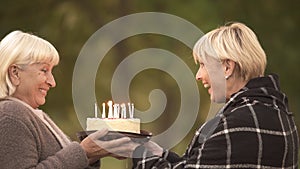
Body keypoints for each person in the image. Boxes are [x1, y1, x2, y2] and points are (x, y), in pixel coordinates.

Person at [124, 22, 299, 168]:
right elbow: (201, 163)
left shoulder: (239, 123)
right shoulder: (276, 113)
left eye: (203, 65)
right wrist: (157, 152)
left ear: (227, 68)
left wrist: (137, 151)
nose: (198, 75)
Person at [0, 30, 136, 168]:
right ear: (15, 73)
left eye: (51, 71)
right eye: (44, 70)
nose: (52, 82)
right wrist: (83, 152)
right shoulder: (10, 115)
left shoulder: (32, 115)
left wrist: (94, 154)